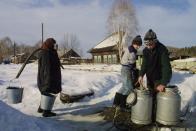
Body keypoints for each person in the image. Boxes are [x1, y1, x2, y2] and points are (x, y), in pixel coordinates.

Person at [138, 29, 172, 121]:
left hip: (159, 79)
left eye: (150, 44)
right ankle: (148, 117)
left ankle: (158, 119)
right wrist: (141, 74)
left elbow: (166, 68)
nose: (149, 46)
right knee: (149, 98)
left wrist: (163, 83)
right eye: (147, 44)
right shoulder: (145, 51)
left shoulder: (162, 50)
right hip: (149, 78)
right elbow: (144, 64)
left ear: (155, 41)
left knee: (158, 100)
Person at [113, 35, 142, 109]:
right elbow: (132, 63)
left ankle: (116, 103)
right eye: (137, 45)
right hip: (127, 70)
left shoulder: (130, 49)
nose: (138, 46)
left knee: (124, 87)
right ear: (133, 43)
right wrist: (136, 68)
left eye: (139, 45)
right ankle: (123, 105)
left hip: (124, 69)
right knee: (129, 88)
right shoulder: (132, 51)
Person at [37, 38, 62, 117]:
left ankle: (41, 107)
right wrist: (48, 80)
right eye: (53, 44)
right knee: (47, 91)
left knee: (45, 92)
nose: (54, 46)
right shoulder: (46, 53)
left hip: (49, 75)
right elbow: (46, 67)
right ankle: (46, 112)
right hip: (48, 76)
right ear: (49, 44)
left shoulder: (48, 51)